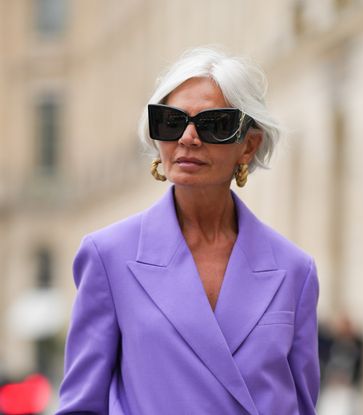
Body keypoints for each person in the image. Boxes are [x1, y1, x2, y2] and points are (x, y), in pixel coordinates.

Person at [56, 47, 320, 415]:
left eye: (214, 124)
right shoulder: (108, 256)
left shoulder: (295, 270)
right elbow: (82, 406)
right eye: (170, 121)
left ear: (249, 144)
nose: (188, 138)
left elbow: (302, 404)